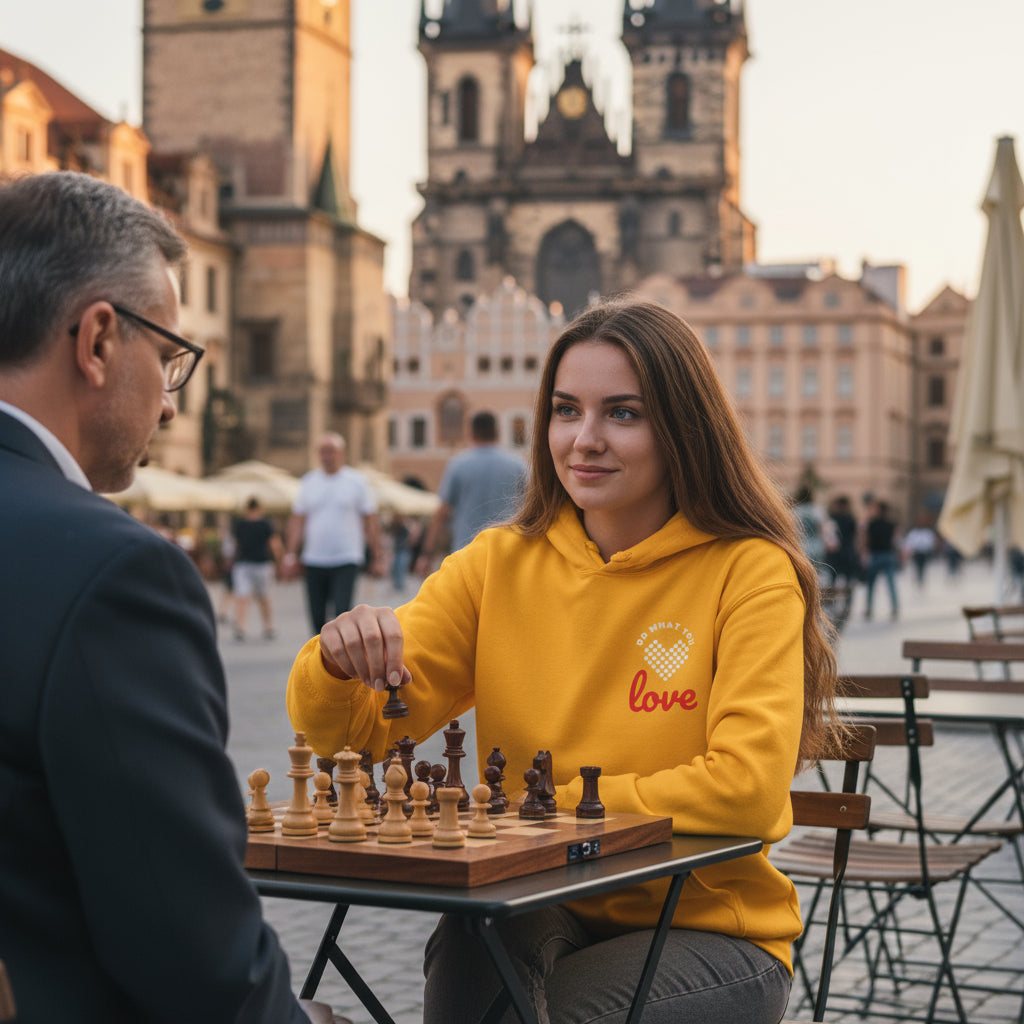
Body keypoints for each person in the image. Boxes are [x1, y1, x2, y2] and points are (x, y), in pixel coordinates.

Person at [287, 300, 843, 1023]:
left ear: (682, 427)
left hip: (709, 928)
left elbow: (745, 790)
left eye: (622, 414)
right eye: (564, 410)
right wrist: (333, 663)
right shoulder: (497, 565)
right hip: (537, 900)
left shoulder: (749, 571)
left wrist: (541, 813)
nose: (584, 440)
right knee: (472, 938)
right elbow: (354, 738)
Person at [0, 172, 317, 1022]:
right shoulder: (113, 576)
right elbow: (193, 952)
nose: (174, 406)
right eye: (170, 358)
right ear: (98, 340)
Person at [282, 432, 384, 633]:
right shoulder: (309, 481)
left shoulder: (356, 481)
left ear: (342, 454)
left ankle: (340, 662)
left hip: (346, 558)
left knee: (342, 615)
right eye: (323, 452)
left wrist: (378, 556)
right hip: (314, 559)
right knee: (316, 618)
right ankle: (318, 661)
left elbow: (370, 521)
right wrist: (291, 554)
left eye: (332, 451)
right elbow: (297, 521)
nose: (327, 456)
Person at [414, 410, 526, 573]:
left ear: (471, 433)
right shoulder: (517, 465)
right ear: (498, 432)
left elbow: (442, 513)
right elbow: (531, 507)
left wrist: (426, 554)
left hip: (465, 552)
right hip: (507, 551)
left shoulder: (458, 465)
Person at [231, 496, 284, 640]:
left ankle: (241, 627)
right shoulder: (265, 523)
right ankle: (268, 626)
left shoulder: (240, 524)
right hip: (262, 563)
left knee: (243, 597)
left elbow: (235, 545)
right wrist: (279, 561)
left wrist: (230, 561)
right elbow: (274, 544)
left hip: (243, 563)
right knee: (264, 597)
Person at [861, 499, 902, 620]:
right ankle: (894, 607)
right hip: (889, 554)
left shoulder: (871, 523)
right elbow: (897, 540)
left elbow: (866, 540)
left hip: (876, 555)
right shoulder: (892, 523)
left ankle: (869, 608)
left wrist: (864, 553)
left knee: (871, 584)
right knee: (891, 583)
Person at [790, 484, 837, 581]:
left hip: (801, 546)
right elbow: (824, 529)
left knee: (802, 575)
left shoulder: (795, 511)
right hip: (817, 546)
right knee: (818, 574)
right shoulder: (817, 510)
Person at [902, 516, 938, 588]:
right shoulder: (914, 532)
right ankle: (918, 578)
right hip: (917, 552)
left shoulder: (928, 532)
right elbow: (909, 542)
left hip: (924, 552)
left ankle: (921, 578)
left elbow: (931, 542)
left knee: (923, 567)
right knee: (917, 566)